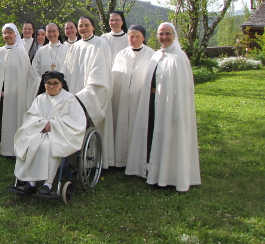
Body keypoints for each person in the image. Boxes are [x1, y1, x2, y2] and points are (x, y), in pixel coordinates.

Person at [126, 23, 201, 192]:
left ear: (174, 35)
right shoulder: (157, 55)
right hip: (153, 103)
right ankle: (152, 171)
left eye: (167, 34)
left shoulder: (179, 58)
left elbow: (183, 90)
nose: (164, 37)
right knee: (153, 136)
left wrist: (176, 110)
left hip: (170, 107)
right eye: (161, 34)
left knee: (168, 138)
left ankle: (168, 175)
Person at [13, 71, 86, 195]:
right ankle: (31, 182)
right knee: (30, 143)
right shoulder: (40, 98)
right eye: (48, 83)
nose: (51, 86)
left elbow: (75, 120)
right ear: (44, 84)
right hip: (39, 130)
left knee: (47, 146)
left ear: (61, 84)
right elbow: (31, 116)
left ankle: (48, 183)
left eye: (55, 83)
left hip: (60, 133)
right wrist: (41, 124)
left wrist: (53, 125)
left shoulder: (69, 98)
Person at [62, 16, 114, 168]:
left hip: (89, 96)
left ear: (93, 27)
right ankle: (73, 162)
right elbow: (66, 70)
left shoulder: (100, 43)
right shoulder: (75, 46)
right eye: (80, 26)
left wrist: (86, 95)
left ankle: (91, 163)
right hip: (74, 95)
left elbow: (100, 72)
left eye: (86, 25)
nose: (83, 28)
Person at [0, 23, 31, 157]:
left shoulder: (22, 53)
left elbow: (24, 75)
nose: (7, 35)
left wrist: (11, 90)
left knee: (12, 119)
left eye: (10, 32)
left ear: (16, 34)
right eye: (5, 33)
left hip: (15, 94)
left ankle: (10, 148)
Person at [111, 25, 154, 167]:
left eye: (137, 36)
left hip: (140, 99)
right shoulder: (121, 55)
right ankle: (120, 160)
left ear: (143, 38)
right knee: (121, 124)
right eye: (131, 36)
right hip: (122, 98)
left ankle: (137, 161)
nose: (134, 39)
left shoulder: (151, 55)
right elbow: (115, 78)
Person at [29, 23, 69, 97]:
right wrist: (44, 83)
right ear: (46, 34)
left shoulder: (67, 50)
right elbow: (34, 71)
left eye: (54, 31)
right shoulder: (41, 51)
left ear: (58, 33)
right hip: (44, 90)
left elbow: (70, 70)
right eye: (49, 31)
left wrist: (59, 84)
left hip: (62, 90)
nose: (51, 34)